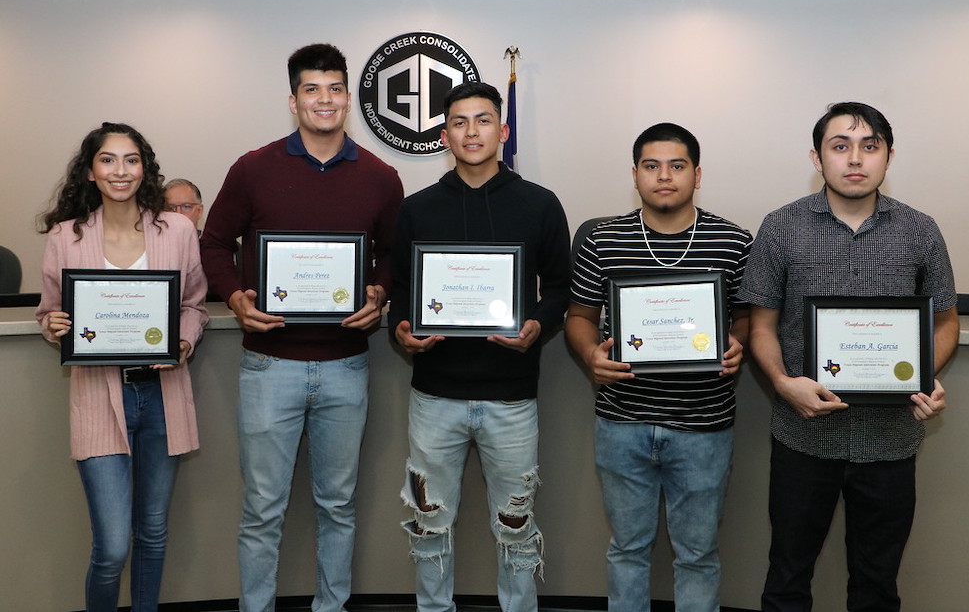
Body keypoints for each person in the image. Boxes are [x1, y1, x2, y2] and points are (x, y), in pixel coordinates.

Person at [200, 43, 403, 612]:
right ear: (293, 100)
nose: (324, 99)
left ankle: (330, 607)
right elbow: (213, 242)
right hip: (269, 366)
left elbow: (392, 255)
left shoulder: (381, 177)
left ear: (348, 99)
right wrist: (236, 297)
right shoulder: (252, 168)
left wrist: (381, 292)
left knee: (337, 505)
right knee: (263, 507)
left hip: (345, 364)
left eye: (335, 88)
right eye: (312, 89)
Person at [738, 102, 959, 612]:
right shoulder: (780, 227)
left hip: (891, 441)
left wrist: (927, 374)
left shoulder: (920, 230)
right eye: (840, 146)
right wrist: (780, 382)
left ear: (888, 156)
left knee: (877, 586)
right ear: (817, 157)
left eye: (869, 146)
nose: (854, 159)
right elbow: (762, 325)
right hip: (802, 437)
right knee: (787, 579)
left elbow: (945, 321)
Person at [389, 81, 571, 612]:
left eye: (484, 120)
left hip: (512, 398)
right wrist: (404, 328)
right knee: (429, 523)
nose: (473, 131)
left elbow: (559, 287)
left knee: (516, 525)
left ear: (503, 130)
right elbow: (402, 289)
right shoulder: (417, 209)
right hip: (434, 396)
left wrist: (536, 325)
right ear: (445, 135)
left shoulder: (539, 204)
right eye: (461, 123)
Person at [565, 122, 753, 612]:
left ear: (697, 174)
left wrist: (738, 344)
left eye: (677, 165)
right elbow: (579, 318)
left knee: (697, 554)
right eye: (651, 166)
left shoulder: (733, 241)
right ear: (635, 174)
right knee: (627, 550)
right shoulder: (602, 239)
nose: (664, 176)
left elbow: (749, 317)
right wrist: (590, 355)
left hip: (704, 426)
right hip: (622, 423)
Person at [36, 122, 208, 612]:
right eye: (108, 160)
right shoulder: (66, 237)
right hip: (98, 396)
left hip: (162, 395)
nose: (120, 171)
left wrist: (183, 341)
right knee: (112, 546)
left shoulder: (175, 231)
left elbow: (194, 305)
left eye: (131, 160)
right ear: (90, 171)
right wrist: (55, 326)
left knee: (152, 533)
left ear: (144, 168)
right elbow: (50, 312)